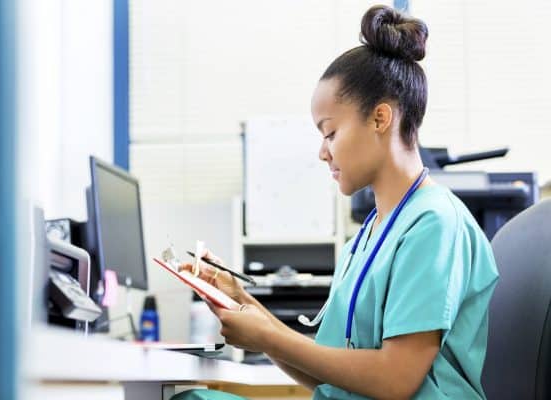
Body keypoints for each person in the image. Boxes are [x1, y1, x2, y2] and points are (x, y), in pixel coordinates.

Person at [175, 5, 499, 399]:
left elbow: (395, 381)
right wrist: (243, 304)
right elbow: (334, 377)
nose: (323, 153)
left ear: (381, 119)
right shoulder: (365, 238)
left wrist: (268, 337)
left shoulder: (434, 224)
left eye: (329, 133)